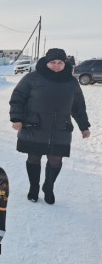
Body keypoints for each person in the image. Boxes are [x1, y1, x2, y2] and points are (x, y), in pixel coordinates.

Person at [9, 48, 91, 204]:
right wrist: (16, 118)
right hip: (34, 126)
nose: (56, 65)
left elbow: (78, 106)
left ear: (65, 63)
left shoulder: (71, 82)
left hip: (61, 128)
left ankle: (48, 186)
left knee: (56, 160)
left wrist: (84, 126)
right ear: (46, 62)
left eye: (60, 62)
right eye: (52, 62)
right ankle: (34, 187)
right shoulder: (32, 78)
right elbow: (18, 98)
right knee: (33, 157)